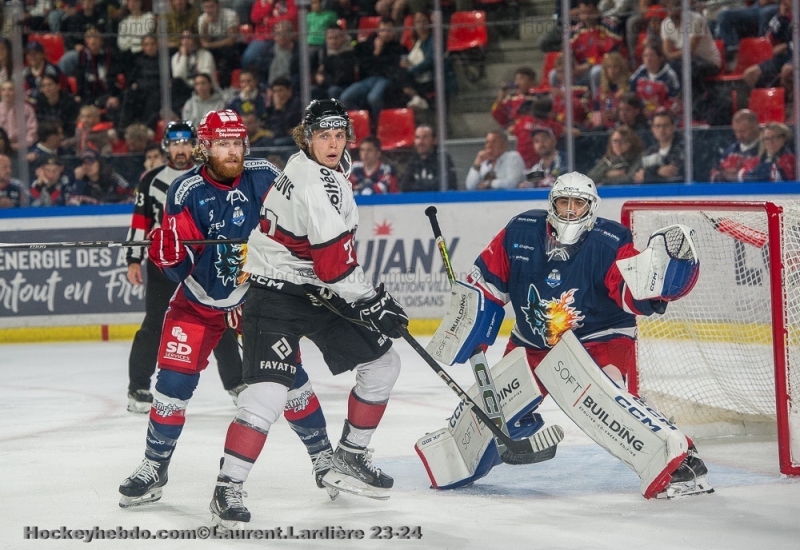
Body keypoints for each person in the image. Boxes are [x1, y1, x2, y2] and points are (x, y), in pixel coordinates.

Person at [119, 109, 336, 509]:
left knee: (290, 379)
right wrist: (169, 257)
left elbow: (297, 221)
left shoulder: (264, 175)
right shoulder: (184, 191)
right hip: (199, 301)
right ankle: (155, 465)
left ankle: (325, 458)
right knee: (171, 385)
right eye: (222, 144)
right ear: (205, 148)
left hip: (256, 300)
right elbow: (182, 267)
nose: (232, 151)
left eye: (237, 143)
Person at [207, 99, 408, 527]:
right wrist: (372, 300)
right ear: (307, 138)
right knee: (267, 395)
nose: (332, 144)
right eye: (323, 136)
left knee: (383, 363)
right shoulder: (315, 184)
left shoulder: (320, 168)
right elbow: (334, 266)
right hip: (275, 294)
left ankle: (350, 456)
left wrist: (369, 299)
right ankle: (228, 486)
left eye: (339, 135)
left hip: (316, 291)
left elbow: (328, 268)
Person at [460, 171, 709, 498]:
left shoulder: (610, 240)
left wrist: (653, 290)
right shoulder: (520, 231)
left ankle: (677, 455)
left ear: (591, 207)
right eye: (563, 201)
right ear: (551, 203)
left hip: (599, 337)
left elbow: (628, 290)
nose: (569, 209)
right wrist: (470, 322)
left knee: (605, 398)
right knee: (493, 414)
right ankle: (464, 457)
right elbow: (487, 284)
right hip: (532, 340)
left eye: (578, 203)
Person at [124, 120, 246, 413]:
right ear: (166, 146)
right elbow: (140, 221)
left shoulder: (208, 175)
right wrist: (133, 259)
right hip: (164, 263)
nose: (181, 149)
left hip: (205, 263)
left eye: (186, 143)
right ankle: (138, 387)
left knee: (218, 317)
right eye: (175, 143)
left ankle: (236, 383)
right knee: (155, 323)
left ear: (196, 145)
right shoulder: (151, 180)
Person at [629, 42, 681, 120]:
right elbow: (631, 93)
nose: (648, 59)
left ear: (660, 58)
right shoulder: (640, 72)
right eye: (645, 55)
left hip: (662, 117)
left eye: (651, 55)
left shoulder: (670, 75)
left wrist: (659, 109)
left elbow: (675, 101)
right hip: (641, 115)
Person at [398, 124, 457, 192]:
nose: (420, 142)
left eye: (425, 137)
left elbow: (447, 184)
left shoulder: (442, 159)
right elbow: (404, 187)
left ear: (434, 140)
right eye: (417, 137)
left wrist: (418, 184)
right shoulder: (413, 161)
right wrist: (427, 184)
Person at [633, 108, 685, 183]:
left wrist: (647, 174)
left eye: (665, 125)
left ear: (673, 127)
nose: (661, 130)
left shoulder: (682, 149)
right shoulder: (650, 152)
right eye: (657, 126)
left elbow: (675, 173)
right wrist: (657, 171)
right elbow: (637, 175)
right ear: (652, 129)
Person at [709, 109, 761, 183]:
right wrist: (722, 175)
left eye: (743, 131)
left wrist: (738, 175)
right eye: (736, 131)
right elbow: (714, 174)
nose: (739, 136)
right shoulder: (731, 150)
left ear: (755, 126)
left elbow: (763, 176)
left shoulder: (767, 148)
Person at [198, 0, 241, 89]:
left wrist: (210, 45)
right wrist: (205, 26)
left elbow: (231, 40)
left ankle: (225, 87)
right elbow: (204, 42)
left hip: (233, 46)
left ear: (218, 6)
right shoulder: (202, 19)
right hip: (215, 46)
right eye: (206, 7)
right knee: (203, 53)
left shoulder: (230, 15)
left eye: (211, 7)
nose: (209, 10)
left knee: (226, 54)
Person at [0, 81, 38, 152]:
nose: (7, 93)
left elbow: (32, 131)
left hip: (23, 148)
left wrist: (22, 145)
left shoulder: (27, 109)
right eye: (3, 90)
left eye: (10, 89)